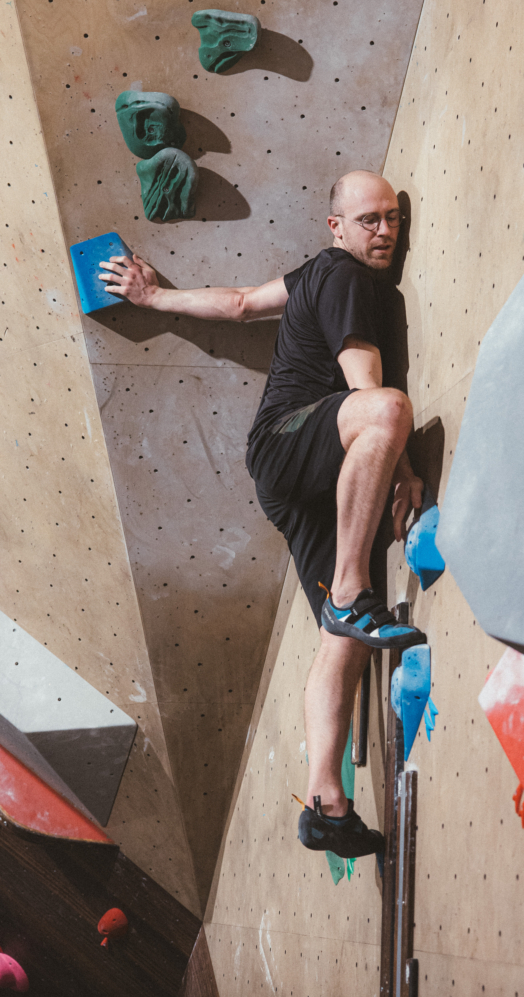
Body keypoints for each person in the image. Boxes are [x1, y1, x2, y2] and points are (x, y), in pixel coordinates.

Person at [99, 170, 426, 861]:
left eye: (393, 218)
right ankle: (350, 595)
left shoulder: (310, 274)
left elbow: (243, 303)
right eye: (368, 219)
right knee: (388, 410)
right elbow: (367, 390)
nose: (385, 231)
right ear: (335, 227)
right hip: (293, 439)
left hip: (302, 470)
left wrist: (155, 296)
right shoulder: (340, 271)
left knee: (339, 637)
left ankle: (326, 804)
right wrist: (402, 469)